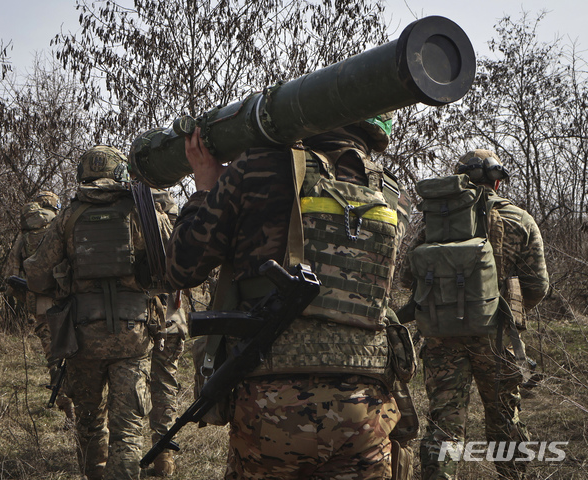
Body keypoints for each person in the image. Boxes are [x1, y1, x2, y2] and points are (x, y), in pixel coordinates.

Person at [165, 114, 413, 479]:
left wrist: (206, 189)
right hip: (367, 406)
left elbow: (181, 267)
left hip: (270, 404)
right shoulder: (393, 195)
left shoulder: (258, 167)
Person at [401, 149, 550, 480]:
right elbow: (538, 286)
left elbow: (405, 277)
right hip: (497, 338)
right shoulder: (520, 220)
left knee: (444, 422)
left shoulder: (436, 222)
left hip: (442, 337)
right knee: (504, 418)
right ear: (498, 180)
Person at [24, 145, 170, 480]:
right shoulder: (142, 210)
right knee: (128, 429)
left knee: (90, 424)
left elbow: (36, 277)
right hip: (133, 336)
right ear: (120, 172)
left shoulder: (67, 216)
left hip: (83, 339)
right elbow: (176, 258)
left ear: (83, 175)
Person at [3, 192, 75, 422]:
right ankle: (85, 412)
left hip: (43, 309)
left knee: (55, 360)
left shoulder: (23, 238)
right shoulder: (64, 227)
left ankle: (70, 415)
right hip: (70, 304)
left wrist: (31, 300)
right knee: (76, 357)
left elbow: (10, 278)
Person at [147, 191, 188, 477]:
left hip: (137, 318)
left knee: (129, 389)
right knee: (165, 387)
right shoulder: (177, 222)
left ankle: (124, 456)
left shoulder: (134, 216)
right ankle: (164, 461)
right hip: (172, 319)